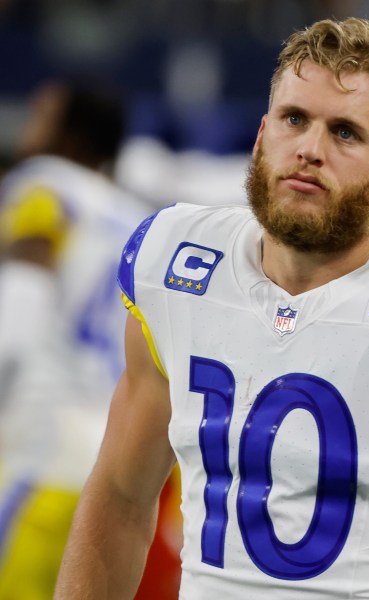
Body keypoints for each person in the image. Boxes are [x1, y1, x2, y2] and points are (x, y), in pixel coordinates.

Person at [55, 18, 369, 599]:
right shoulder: (179, 267)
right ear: (263, 133)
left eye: (345, 132)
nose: (310, 149)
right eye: (295, 119)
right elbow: (119, 497)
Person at [0, 81, 181, 598]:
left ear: (74, 137)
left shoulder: (42, 183)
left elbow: (18, 312)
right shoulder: (132, 218)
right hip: (110, 460)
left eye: (43, 115)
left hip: (38, 444)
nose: (28, 127)